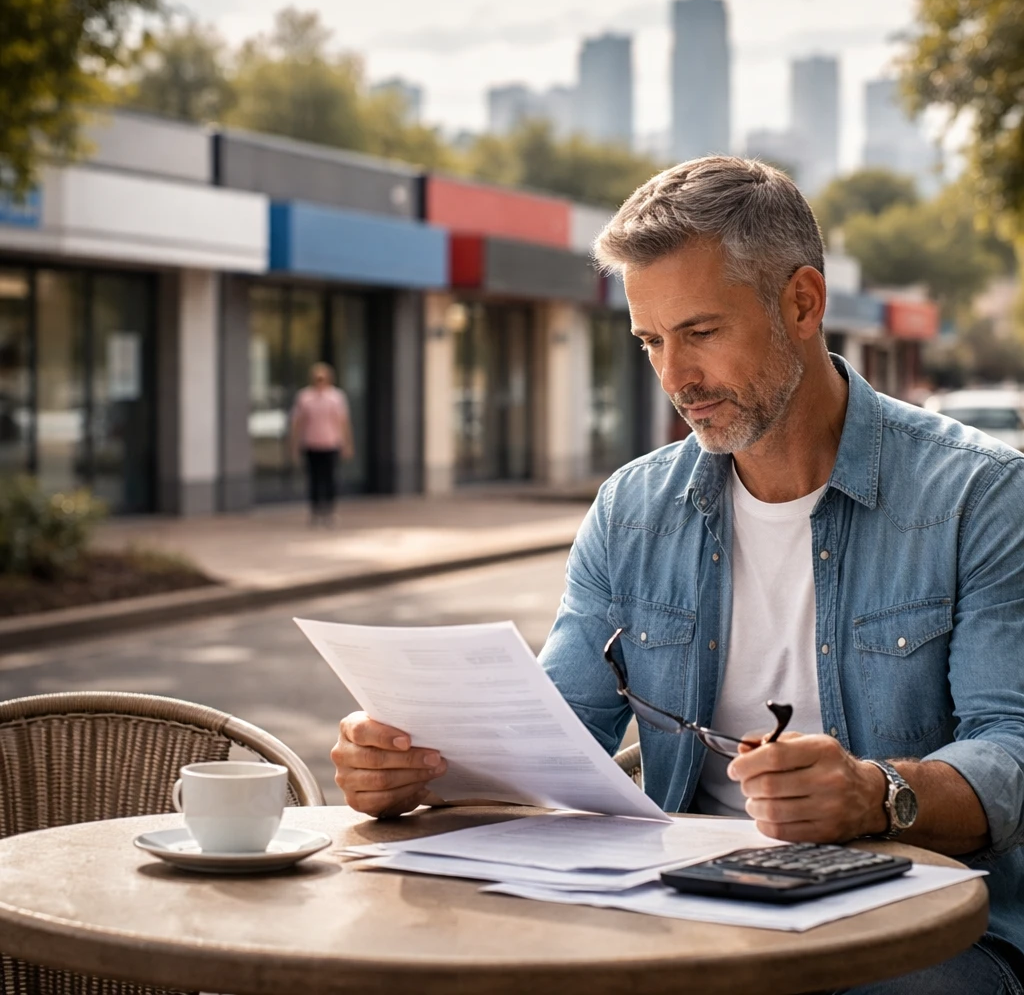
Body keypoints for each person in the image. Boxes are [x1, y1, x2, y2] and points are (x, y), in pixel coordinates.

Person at [330, 157, 1024, 993]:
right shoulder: (631, 509)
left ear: (802, 302)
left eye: (700, 332)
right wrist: (412, 769)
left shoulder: (980, 496)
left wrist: (876, 796)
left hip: (921, 927)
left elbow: (1012, 749)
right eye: (651, 341)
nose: (674, 378)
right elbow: (552, 736)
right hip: (685, 913)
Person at [290, 362, 354, 525]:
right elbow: (297, 422)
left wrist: (347, 443)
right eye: (317, 378)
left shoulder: (336, 397)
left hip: (331, 443)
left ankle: (329, 511)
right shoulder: (304, 397)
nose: (320, 381)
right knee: (314, 479)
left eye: (322, 378)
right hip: (311, 443)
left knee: (330, 478)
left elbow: (343, 422)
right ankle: (315, 511)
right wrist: (294, 444)